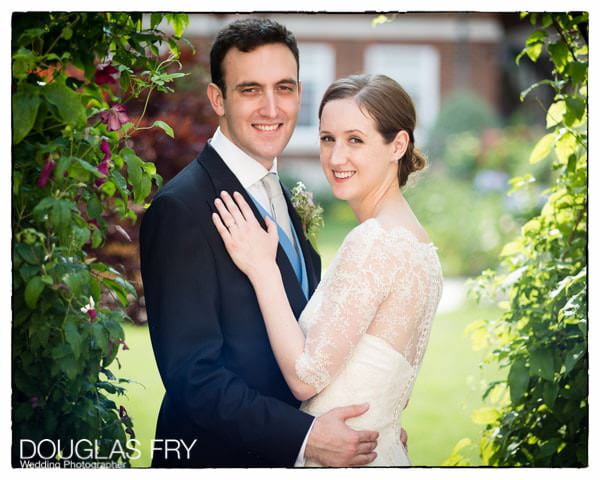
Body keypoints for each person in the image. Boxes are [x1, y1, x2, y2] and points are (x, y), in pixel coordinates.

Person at [140, 18, 404, 467]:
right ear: (217, 99)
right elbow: (195, 380)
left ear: (299, 93)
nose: (271, 107)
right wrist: (306, 439)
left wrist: (373, 418)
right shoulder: (181, 210)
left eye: (284, 88)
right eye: (249, 90)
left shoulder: (278, 190)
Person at [211, 73, 443, 466]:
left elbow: (306, 376)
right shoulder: (420, 245)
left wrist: (262, 268)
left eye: (355, 140)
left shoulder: (374, 242)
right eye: (327, 138)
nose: (336, 158)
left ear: (397, 145)